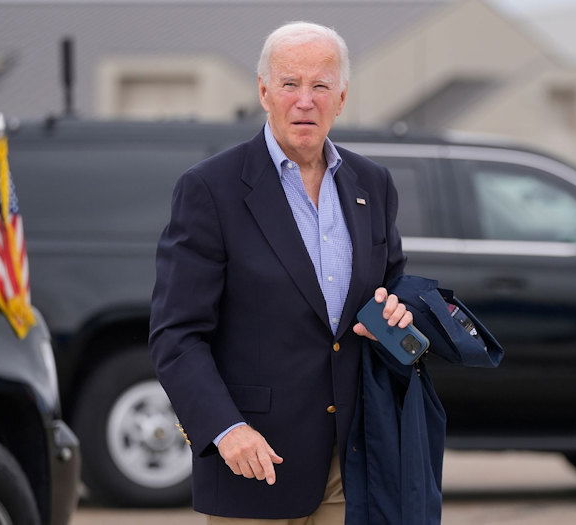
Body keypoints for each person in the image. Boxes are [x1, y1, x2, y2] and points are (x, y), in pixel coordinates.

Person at [149, 21, 412, 524]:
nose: (305, 101)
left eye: (320, 86)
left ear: (342, 97)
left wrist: (401, 311)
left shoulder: (372, 184)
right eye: (290, 84)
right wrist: (225, 429)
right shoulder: (211, 188)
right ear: (264, 92)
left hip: (351, 459)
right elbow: (176, 335)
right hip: (253, 462)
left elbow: (393, 287)